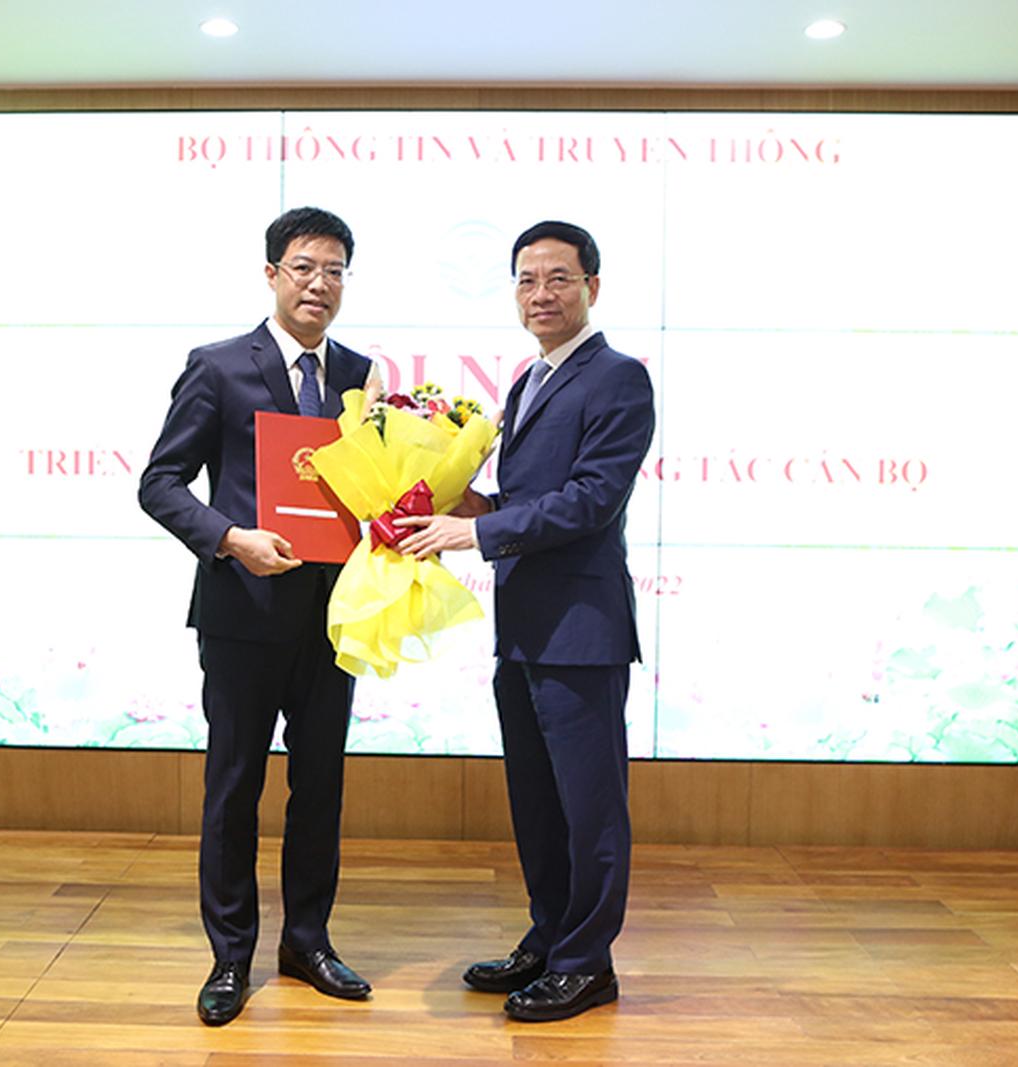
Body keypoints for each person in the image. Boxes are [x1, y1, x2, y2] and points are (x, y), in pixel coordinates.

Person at [395, 220, 654, 1022]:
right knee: (538, 803)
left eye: (558, 278)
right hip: (523, 629)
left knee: (590, 807)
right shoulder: (528, 379)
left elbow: (590, 501)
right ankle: (549, 937)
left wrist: (473, 533)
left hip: (582, 629)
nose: (541, 294)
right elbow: (529, 500)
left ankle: (586, 962)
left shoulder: (618, 378)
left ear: (592, 287)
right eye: (526, 280)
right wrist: (468, 504)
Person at [138, 207, 376, 1026]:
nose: (320, 284)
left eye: (335, 270)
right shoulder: (218, 367)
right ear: (272, 274)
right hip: (243, 612)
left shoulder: (361, 375)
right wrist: (230, 538)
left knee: (321, 787)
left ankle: (307, 941)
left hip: (334, 616)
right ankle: (230, 954)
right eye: (305, 267)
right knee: (234, 785)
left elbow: (369, 485)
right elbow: (160, 482)